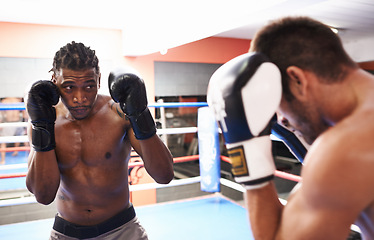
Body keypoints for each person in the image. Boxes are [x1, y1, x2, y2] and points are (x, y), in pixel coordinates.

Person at [207, 16, 374, 239]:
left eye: (280, 105)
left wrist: (244, 149)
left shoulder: (346, 147)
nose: (282, 121)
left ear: (297, 79)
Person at [25, 41, 174, 239]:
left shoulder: (118, 114)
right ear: (54, 81)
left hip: (122, 230)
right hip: (66, 233)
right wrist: (42, 127)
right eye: (69, 87)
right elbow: (43, 195)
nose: (80, 97)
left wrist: (140, 114)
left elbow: (164, 175)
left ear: (99, 80)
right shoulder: (44, 120)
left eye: (89, 86)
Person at [0, 97, 24, 164]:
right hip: (18, 121)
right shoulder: (18, 100)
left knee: (3, 141)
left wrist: (1, 123)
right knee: (18, 137)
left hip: (9, 122)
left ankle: (3, 160)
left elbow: (1, 114)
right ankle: (16, 151)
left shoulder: (4, 101)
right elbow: (23, 112)